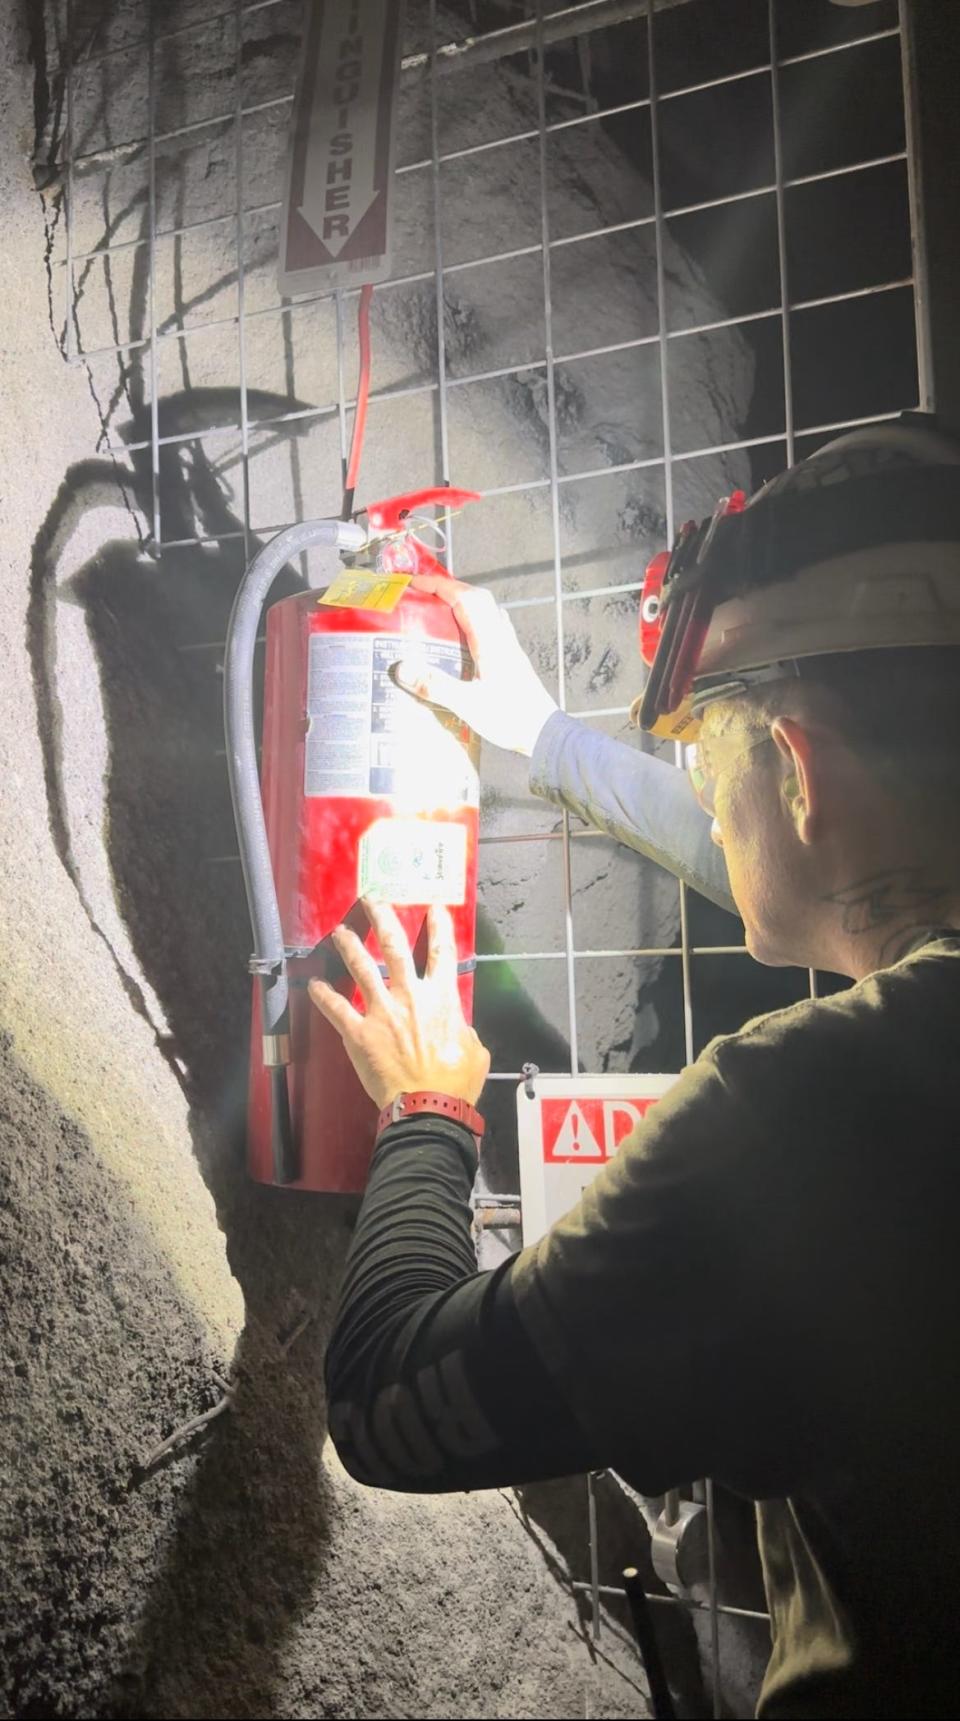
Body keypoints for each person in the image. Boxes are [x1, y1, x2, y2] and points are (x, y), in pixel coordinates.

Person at [310, 414, 960, 1720]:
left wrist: (428, 1111)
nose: (710, 800)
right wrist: (543, 740)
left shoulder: (804, 1119)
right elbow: (802, 874)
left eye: (714, 762)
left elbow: (385, 1399)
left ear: (796, 765)